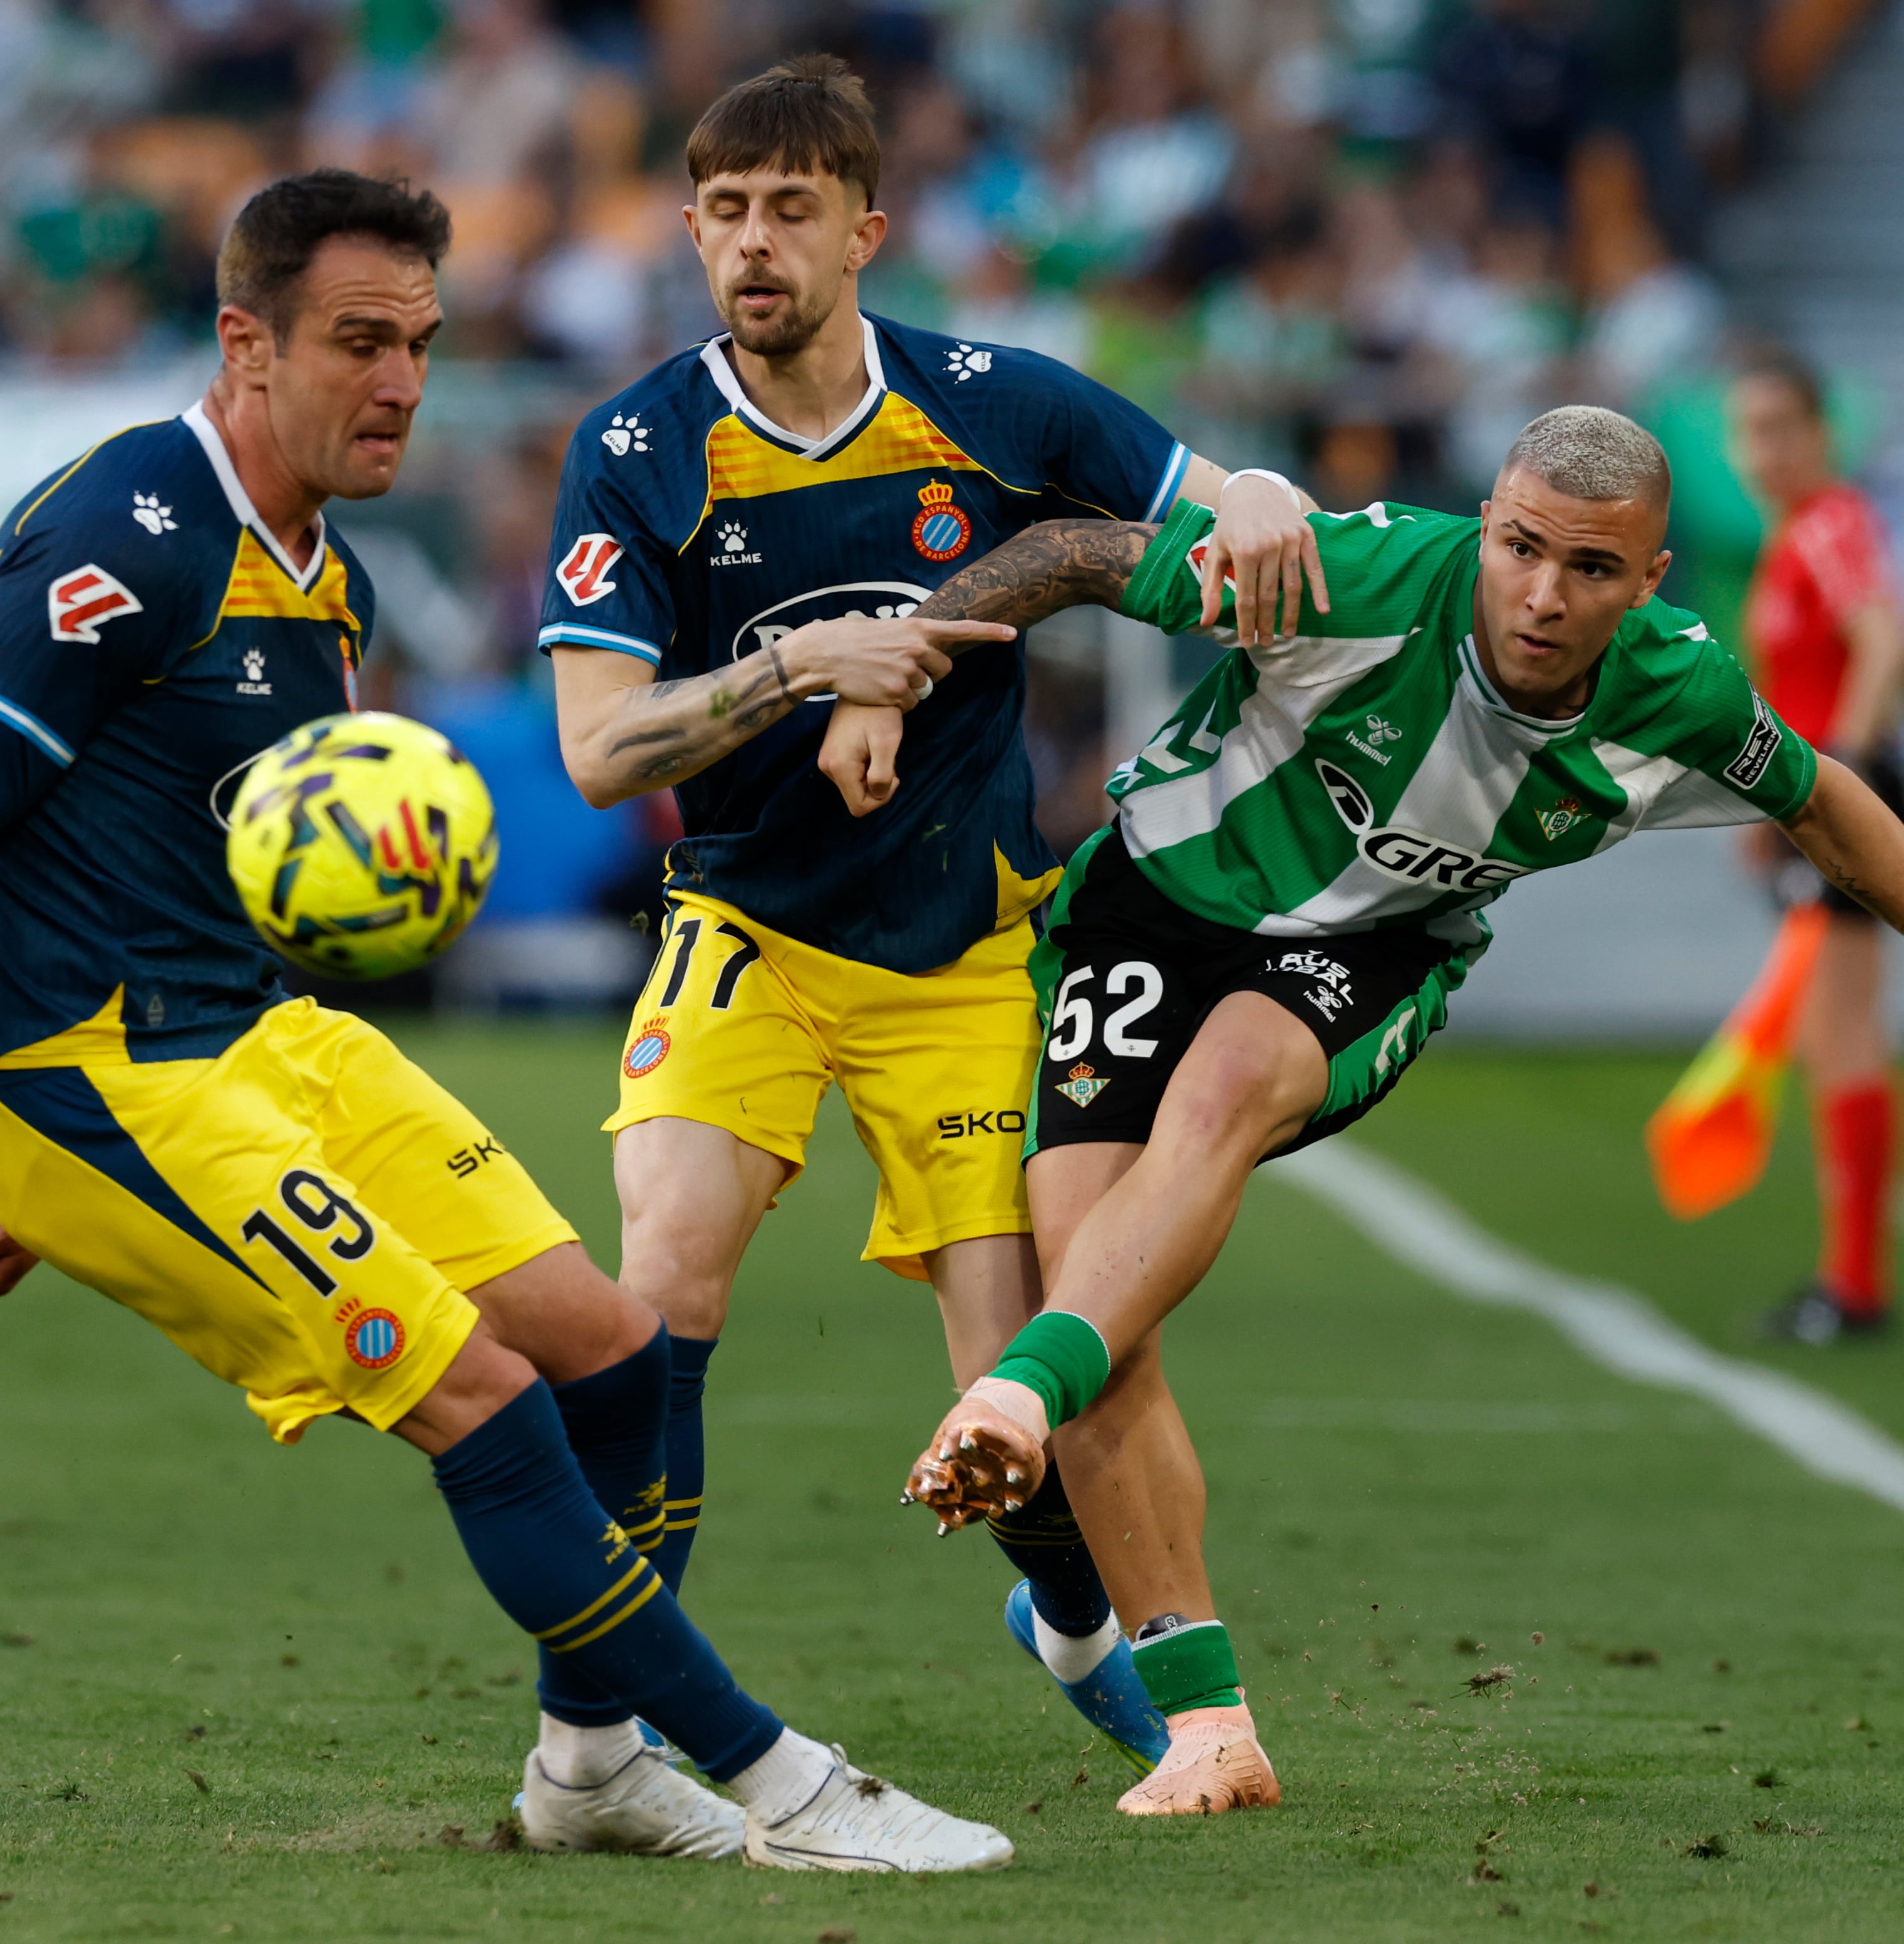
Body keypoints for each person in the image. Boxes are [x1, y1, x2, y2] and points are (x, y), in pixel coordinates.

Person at [0, 168, 1011, 1876]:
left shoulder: (328, 583)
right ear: (245, 344)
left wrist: (85, 1210)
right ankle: (784, 1784)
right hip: (97, 1078)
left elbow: (143, 866)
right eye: (361, 342)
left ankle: (587, 1769)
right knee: (485, 1399)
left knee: (618, 1355)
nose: (403, 384)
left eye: (422, 344)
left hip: (252, 1051)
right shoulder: (124, 530)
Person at [892, 406, 1904, 1810]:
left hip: (1373, 951)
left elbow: (1827, 803)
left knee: (1218, 1105)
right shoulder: (1366, 574)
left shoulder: (1672, 687)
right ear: (1489, 524)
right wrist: (879, 680)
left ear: (1648, 578)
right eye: (1519, 548)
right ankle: (1153, 1673)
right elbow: (1077, 551)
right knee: (1095, 1283)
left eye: (1587, 568)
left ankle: (1072, 1486)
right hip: (1146, 903)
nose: (1542, 595)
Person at [537, 53, 1327, 1791]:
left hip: (967, 958)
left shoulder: (994, 402)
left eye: (792, 212)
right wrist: (802, 667)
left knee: (1014, 1381)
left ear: (865, 231)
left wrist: (1260, 490)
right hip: (744, 931)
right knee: (658, 1277)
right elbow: (600, 752)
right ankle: (614, 1721)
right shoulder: (640, 448)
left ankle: (1073, 1627)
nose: (754, 247)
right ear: (687, 230)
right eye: (725, 214)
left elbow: (1210, 502)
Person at [1726, 351, 1904, 1344]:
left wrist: (1837, 777)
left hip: (1842, 797)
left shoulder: (1832, 523)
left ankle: (1856, 1285)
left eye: (1776, 428)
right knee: (1828, 1031)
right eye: (1745, 431)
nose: (1759, 452)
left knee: (1842, 1027)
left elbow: (1888, 640)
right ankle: (1850, 1275)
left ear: (1817, 432)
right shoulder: (1798, 535)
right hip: (1816, 802)